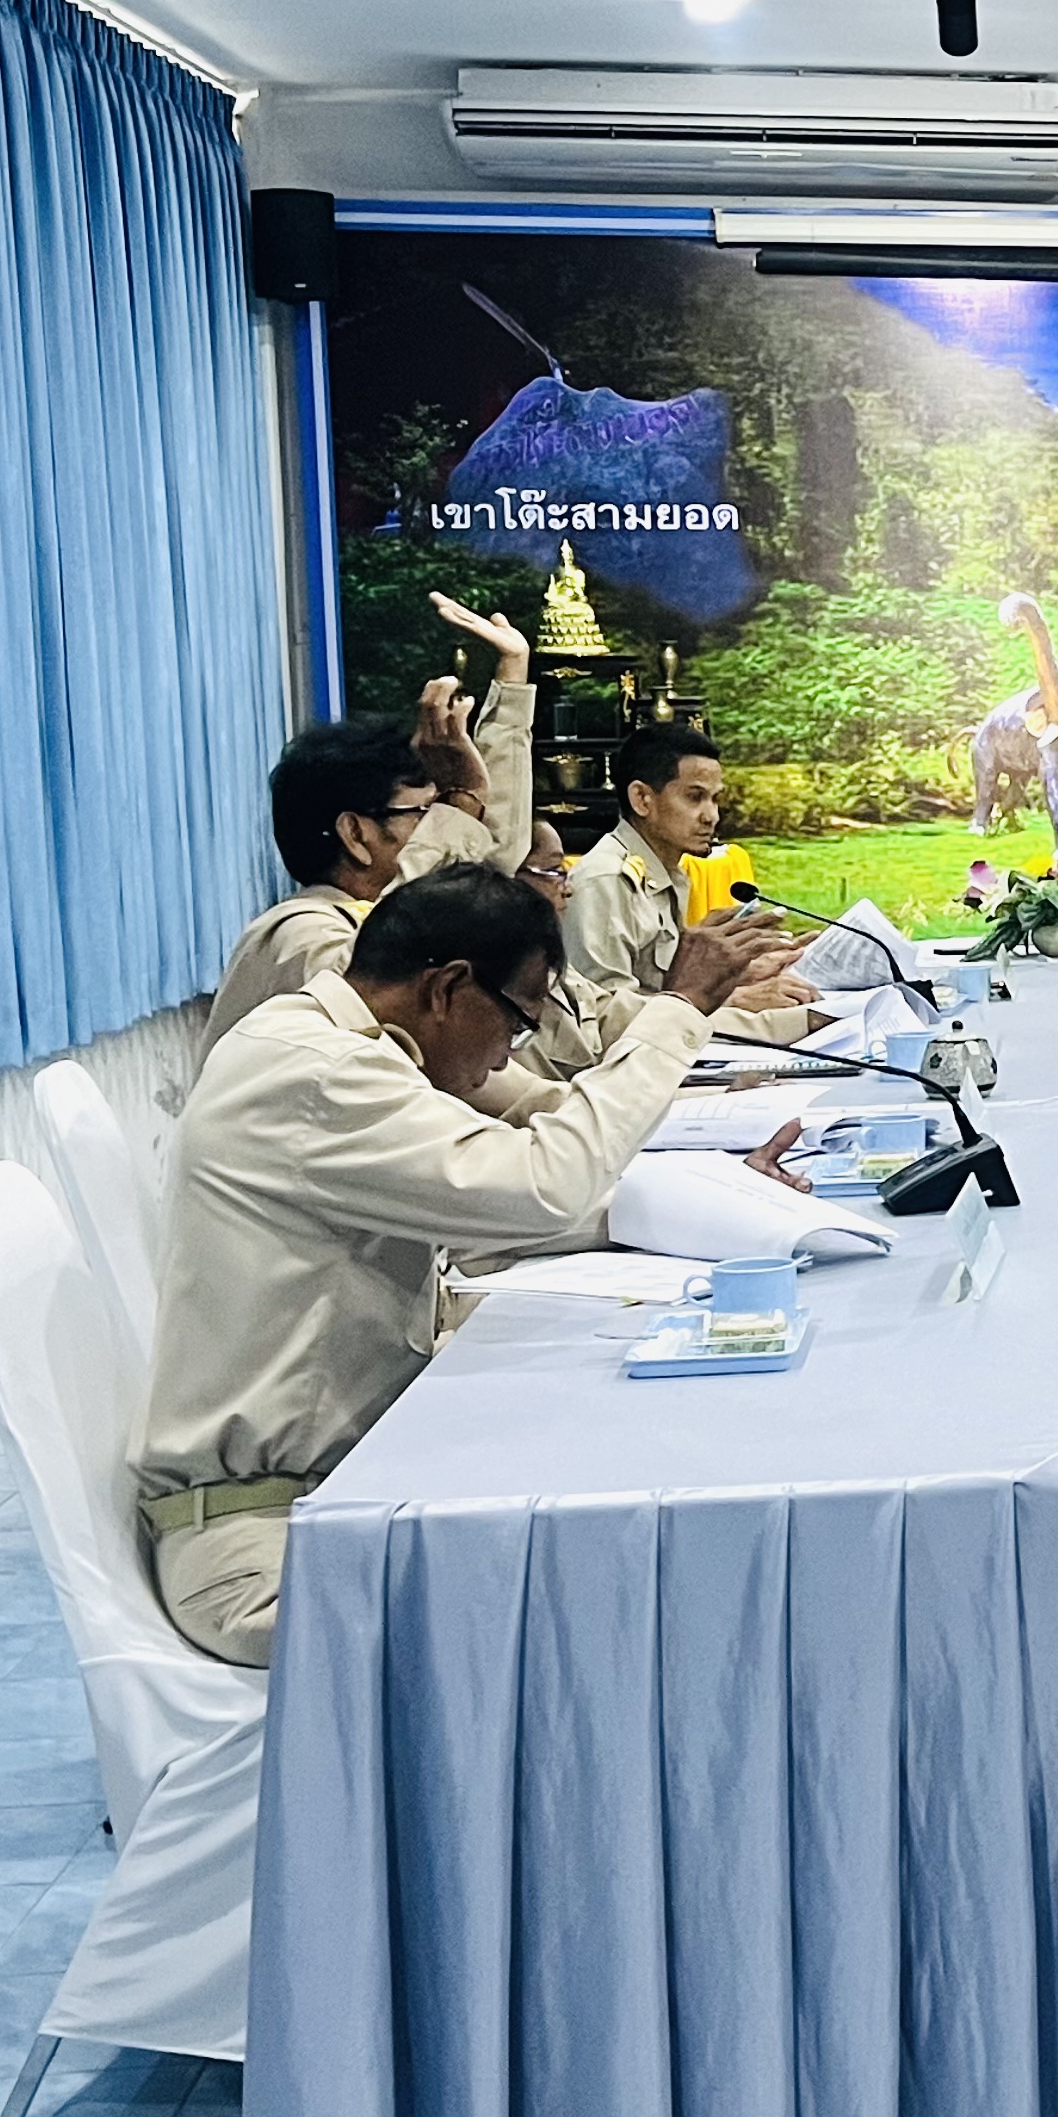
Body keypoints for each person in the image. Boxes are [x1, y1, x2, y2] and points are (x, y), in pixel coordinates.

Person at [135, 866, 798, 1668]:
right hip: (266, 1548)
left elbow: (490, 1201)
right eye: (516, 1024)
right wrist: (678, 1012)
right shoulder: (316, 1073)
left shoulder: (334, 1041)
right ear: (447, 989)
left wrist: (709, 1196)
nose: (505, 1057)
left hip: (340, 1491)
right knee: (613, 1599)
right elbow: (541, 1188)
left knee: (617, 1492)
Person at [202, 606, 535, 1048]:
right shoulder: (303, 935)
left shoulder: (372, 915)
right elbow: (380, 973)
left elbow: (486, 858)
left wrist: (511, 685)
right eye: (426, 814)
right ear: (356, 835)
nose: (443, 830)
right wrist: (459, 799)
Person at [562, 720, 824, 1043]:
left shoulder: (667, 871)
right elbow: (603, 1024)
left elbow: (664, 987)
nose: (711, 816)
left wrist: (735, 975)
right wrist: (728, 1001)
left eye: (715, 799)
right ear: (642, 799)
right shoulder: (605, 880)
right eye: (695, 797)